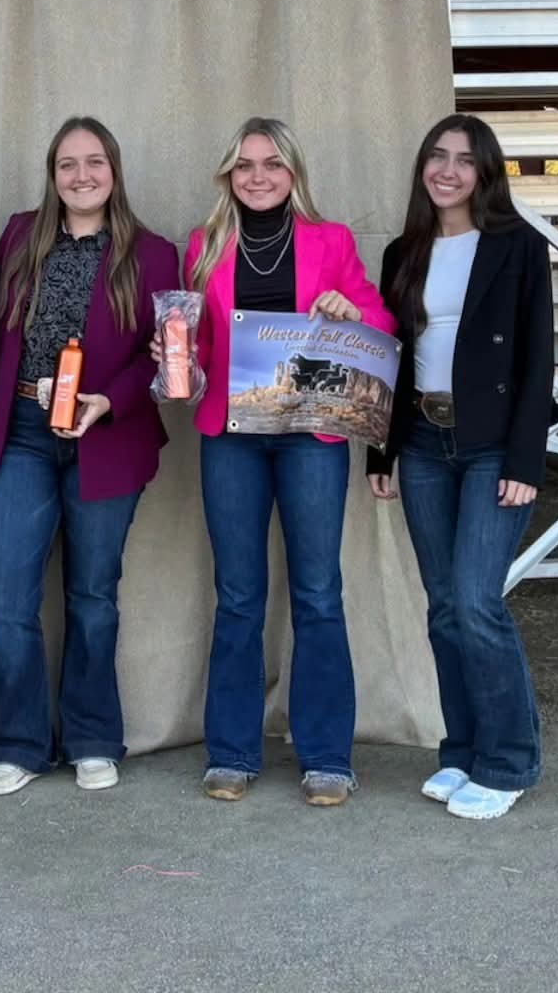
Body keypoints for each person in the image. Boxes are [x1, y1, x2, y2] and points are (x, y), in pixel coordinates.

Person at [183, 116, 394, 806]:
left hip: (311, 432)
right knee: (238, 596)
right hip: (230, 435)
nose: (258, 176)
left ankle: (327, 754)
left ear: (293, 173)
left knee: (317, 593)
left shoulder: (329, 242)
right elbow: (201, 352)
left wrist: (348, 308)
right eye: (244, 166)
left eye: (272, 164)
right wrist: (177, 360)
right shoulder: (206, 245)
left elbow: (380, 319)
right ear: (229, 176)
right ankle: (234, 752)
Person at [0, 116, 179, 795]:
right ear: (51, 172)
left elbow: (163, 355)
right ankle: (21, 742)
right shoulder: (18, 236)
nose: (82, 175)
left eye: (95, 162)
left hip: (106, 435)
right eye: (68, 163)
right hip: (26, 432)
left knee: (93, 595)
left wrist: (109, 402)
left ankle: (93, 736)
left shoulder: (153, 254)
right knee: (7, 597)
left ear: (114, 170)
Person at [367, 114, 552, 821]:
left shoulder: (517, 247)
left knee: (478, 602)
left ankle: (508, 763)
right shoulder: (403, 252)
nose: (448, 170)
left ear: (486, 173)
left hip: (491, 447)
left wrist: (526, 460)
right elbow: (389, 358)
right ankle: (463, 750)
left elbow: (537, 361)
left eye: (465, 161)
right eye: (437, 156)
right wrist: (379, 452)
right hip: (420, 444)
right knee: (444, 609)